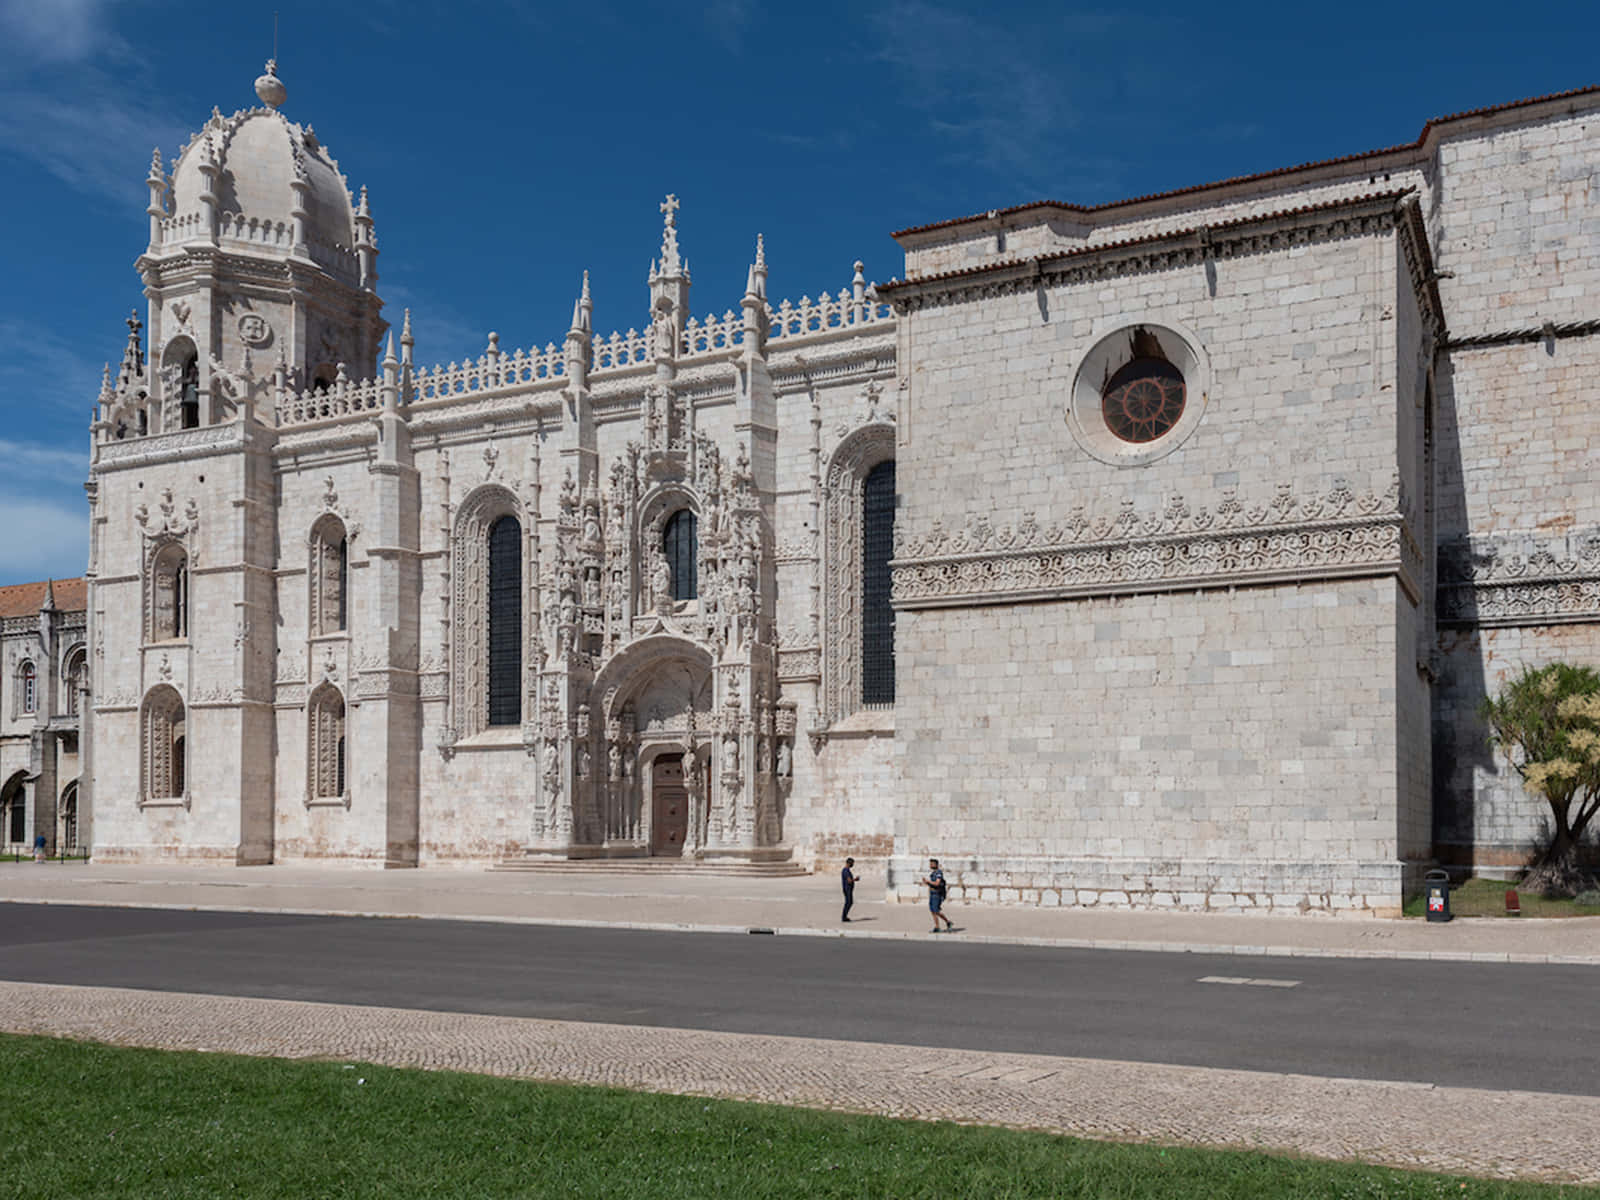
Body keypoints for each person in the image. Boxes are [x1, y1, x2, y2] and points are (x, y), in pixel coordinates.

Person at [921, 857, 954, 933]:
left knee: (936, 911)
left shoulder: (939, 873)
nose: (930, 865)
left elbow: (937, 883)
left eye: (932, 863)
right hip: (932, 894)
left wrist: (928, 881)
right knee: (933, 911)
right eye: (930, 863)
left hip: (937, 894)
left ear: (936, 864)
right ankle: (940, 925)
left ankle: (944, 924)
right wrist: (926, 882)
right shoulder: (933, 873)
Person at [840, 857, 859, 922]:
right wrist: (855, 879)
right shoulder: (846, 871)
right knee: (848, 903)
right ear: (849, 863)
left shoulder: (846, 870)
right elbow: (849, 881)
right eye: (852, 863)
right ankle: (844, 917)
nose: (852, 865)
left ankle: (844, 916)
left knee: (849, 902)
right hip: (847, 889)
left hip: (848, 889)